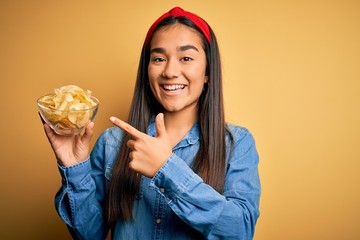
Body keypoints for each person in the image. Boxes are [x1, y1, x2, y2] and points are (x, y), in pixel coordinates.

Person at [42, 6, 261, 240]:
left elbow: (240, 231)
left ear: (207, 71)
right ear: (147, 70)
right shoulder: (111, 143)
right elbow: (89, 235)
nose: (170, 71)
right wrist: (75, 169)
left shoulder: (236, 143)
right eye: (158, 58)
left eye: (186, 58)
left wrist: (166, 169)